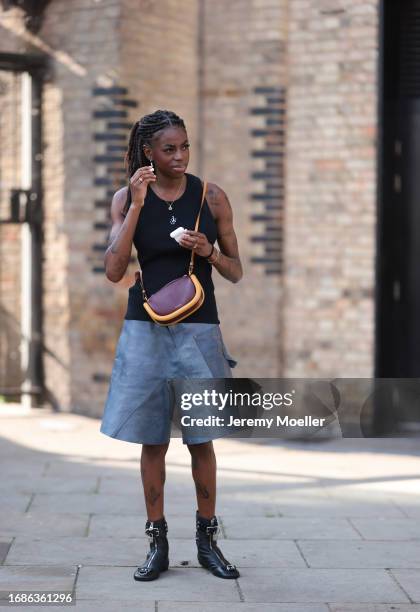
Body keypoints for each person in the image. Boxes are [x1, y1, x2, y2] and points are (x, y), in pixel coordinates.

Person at [100, 109, 243, 582]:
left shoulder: (211, 196)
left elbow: (235, 270)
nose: (179, 156)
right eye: (169, 149)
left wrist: (208, 252)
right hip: (145, 329)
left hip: (200, 329)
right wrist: (138, 205)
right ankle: (156, 542)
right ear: (148, 153)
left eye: (184, 147)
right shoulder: (126, 197)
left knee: (201, 439)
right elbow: (114, 270)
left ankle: (207, 541)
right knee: (153, 439)